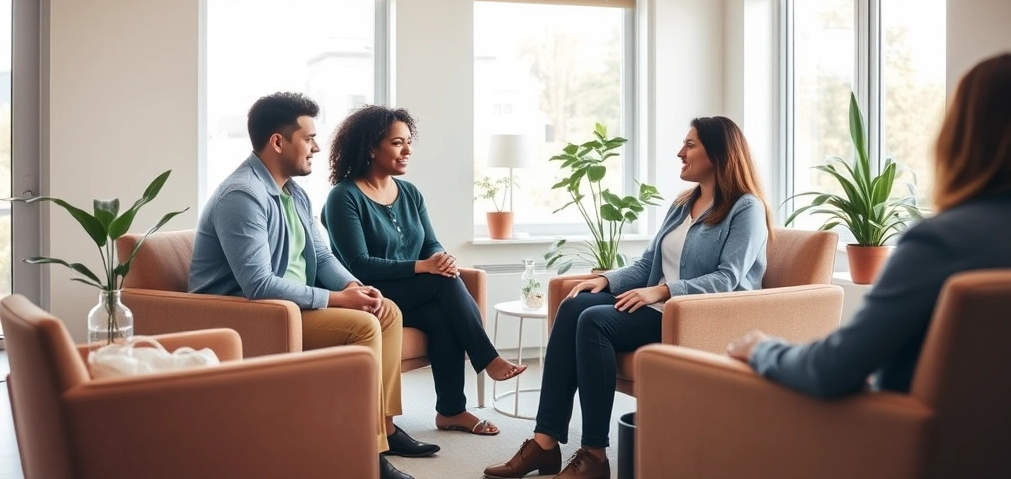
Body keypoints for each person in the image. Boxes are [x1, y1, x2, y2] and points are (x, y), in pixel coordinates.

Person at [485, 116, 772, 479]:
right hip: (659, 307)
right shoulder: (684, 203)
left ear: (717, 153)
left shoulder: (745, 208)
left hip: (700, 315)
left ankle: (594, 454)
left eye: (690, 145)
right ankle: (544, 443)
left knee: (594, 321)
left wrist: (665, 290)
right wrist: (605, 280)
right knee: (574, 305)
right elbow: (648, 263)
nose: (680, 153)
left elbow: (728, 278)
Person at [728, 53, 1011, 398]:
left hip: (904, 443)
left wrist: (761, 349)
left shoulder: (942, 242)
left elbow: (830, 371)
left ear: (964, 134)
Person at [189, 92, 436, 479]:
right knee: (362, 324)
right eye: (309, 138)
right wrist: (339, 299)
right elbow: (257, 284)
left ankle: (383, 430)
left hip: (292, 308)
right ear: (278, 142)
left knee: (385, 311)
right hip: (247, 315)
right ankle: (364, 454)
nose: (317, 147)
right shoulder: (243, 195)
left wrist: (356, 286)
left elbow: (321, 257)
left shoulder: (294, 193)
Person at [321, 105, 527, 437]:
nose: (407, 150)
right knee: (442, 285)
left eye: (408, 142)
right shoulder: (344, 197)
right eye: (397, 143)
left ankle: (451, 412)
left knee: (442, 313)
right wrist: (425, 267)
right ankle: (488, 358)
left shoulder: (410, 193)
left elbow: (430, 242)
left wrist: (440, 258)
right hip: (369, 292)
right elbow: (357, 263)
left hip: (415, 290)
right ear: (371, 148)